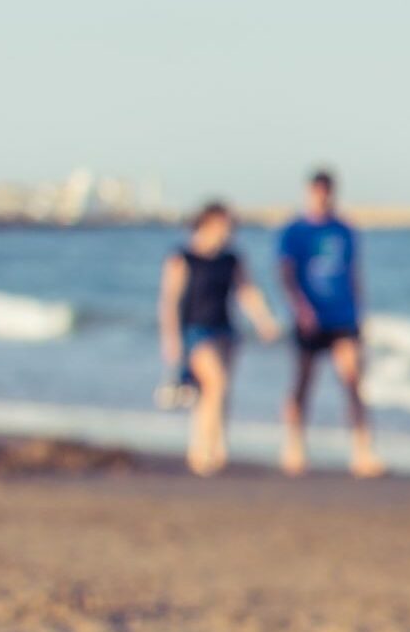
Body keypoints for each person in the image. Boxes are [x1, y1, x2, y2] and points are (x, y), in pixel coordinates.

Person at [155, 201, 280, 476]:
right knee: (216, 384)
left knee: (215, 394)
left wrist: (264, 321)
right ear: (208, 223)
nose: (228, 231)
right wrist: (171, 339)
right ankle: (203, 450)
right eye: (224, 225)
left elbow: (246, 291)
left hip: (225, 331)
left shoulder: (231, 259)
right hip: (195, 332)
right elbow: (169, 301)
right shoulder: (182, 257)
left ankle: (213, 446)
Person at [276, 169, 384, 477]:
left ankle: (363, 452)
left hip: (343, 317)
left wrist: (361, 315)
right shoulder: (294, 231)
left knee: (352, 381)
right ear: (309, 193)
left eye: (327, 192)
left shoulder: (345, 231)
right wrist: (300, 308)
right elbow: (285, 274)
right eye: (317, 192)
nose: (322, 198)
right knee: (303, 384)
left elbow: (354, 275)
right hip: (309, 319)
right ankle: (293, 447)